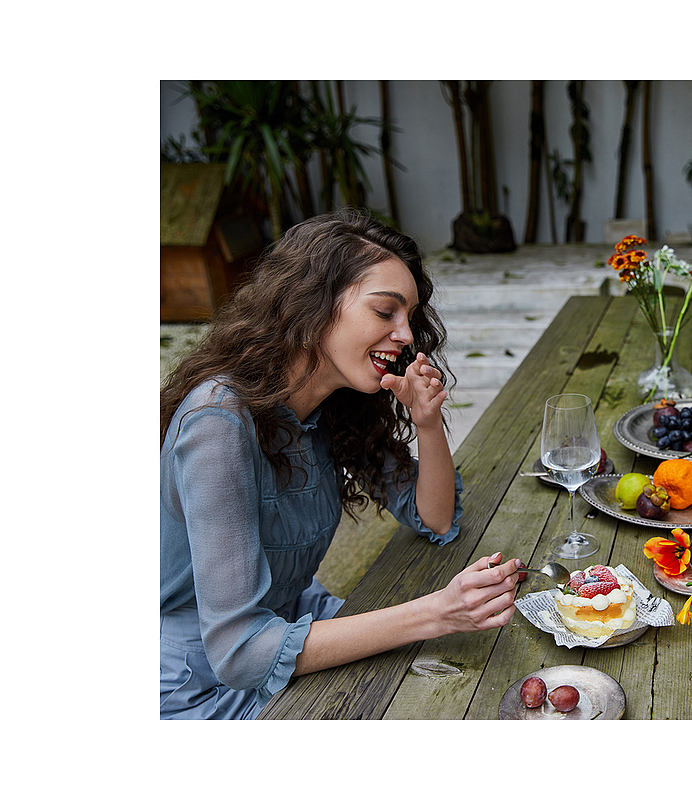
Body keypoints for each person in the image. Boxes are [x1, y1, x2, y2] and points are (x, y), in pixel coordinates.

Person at [160, 209, 524, 719]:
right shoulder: (218, 422)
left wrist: (426, 422)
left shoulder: (334, 406)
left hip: (297, 628)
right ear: (311, 306)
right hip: (198, 685)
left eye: (409, 318)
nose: (406, 336)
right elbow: (239, 652)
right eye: (385, 312)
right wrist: (437, 613)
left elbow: (436, 518)